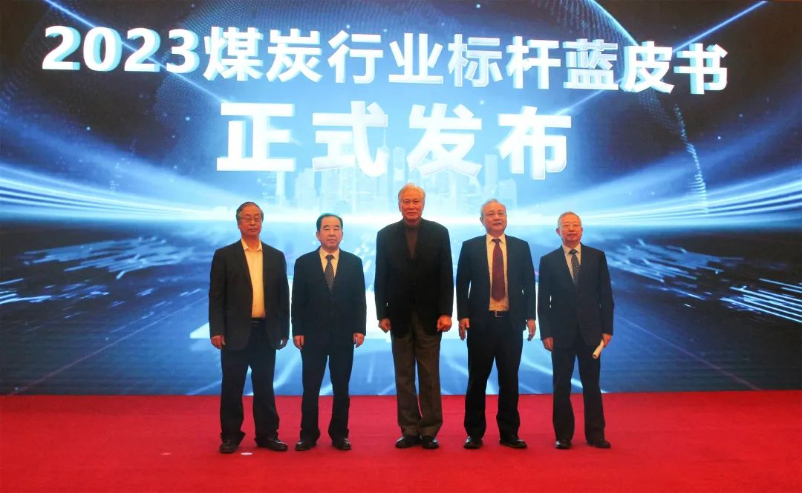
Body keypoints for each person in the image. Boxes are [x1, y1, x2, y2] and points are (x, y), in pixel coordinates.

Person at [374, 183, 453, 450]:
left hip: (431, 316)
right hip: (398, 315)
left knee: (430, 375)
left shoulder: (439, 233)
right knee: (404, 376)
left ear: (423, 204)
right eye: (406, 201)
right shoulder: (385, 235)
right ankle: (409, 429)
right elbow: (381, 276)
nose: (411, 206)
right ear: (399, 205)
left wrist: (446, 312)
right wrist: (381, 313)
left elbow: (446, 276)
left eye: (415, 201)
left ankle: (429, 430)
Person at [209, 202, 290, 454]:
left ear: (262, 222)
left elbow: (283, 297)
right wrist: (216, 329)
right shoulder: (224, 255)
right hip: (234, 332)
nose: (252, 222)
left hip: (266, 331)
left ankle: (267, 435)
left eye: (256, 218)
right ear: (238, 223)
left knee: (265, 386)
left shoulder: (275, 256)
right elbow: (216, 296)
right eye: (247, 218)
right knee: (232, 386)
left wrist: (284, 330)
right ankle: (230, 436)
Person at [456, 199, 537, 449]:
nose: (496, 217)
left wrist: (531, 316)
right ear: (482, 220)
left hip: (511, 323)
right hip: (480, 323)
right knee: (477, 380)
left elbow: (528, 283)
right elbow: (461, 283)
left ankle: (509, 433)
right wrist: (462, 315)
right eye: (490, 214)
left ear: (507, 217)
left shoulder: (520, 247)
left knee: (510, 380)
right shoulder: (470, 246)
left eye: (501, 213)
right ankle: (474, 433)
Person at [537, 211, 614, 450]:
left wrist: (607, 328)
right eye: (566, 225)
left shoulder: (596, 257)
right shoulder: (548, 260)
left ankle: (596, 434)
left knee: (592, 385)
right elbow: (543, 302)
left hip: (591, 331)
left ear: (582, 230)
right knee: (561, 386)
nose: (571, 229)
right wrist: (546, 332)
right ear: (558, 231)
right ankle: (563, 435)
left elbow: (606, 295)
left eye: (575, 225)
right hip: (561, 333)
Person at [291, 213, 366, 452]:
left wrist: (360, 328)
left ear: (342, 234)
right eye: (326, 228)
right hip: (312, 335)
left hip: (344, 335)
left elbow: (359, 299)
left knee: (341, 388)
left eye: (336, 228)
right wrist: (297, 329)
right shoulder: (304, 262)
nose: (331, 233)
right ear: (318, 234)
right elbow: (297, 300)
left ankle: (339, 434)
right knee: (310, 388)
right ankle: (308, 435)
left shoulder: (354, 262)